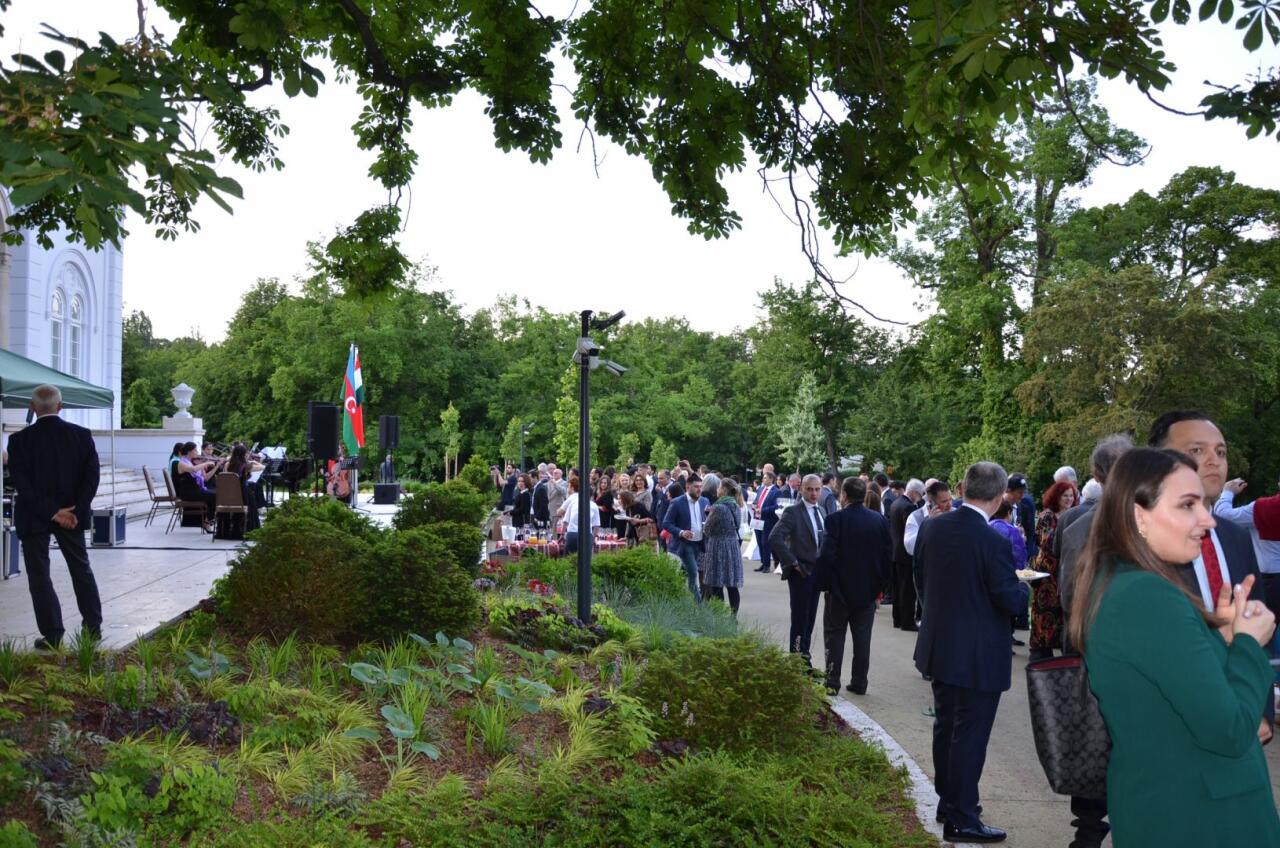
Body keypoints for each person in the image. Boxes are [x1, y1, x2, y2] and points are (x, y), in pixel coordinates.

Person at [1071, 448, 1280, 847]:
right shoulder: (1148, 595)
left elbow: (1169, 689)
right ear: (1138, 516)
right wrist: (1249, 644)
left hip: (1174, 806)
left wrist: (1224, 638)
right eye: (1188, 505)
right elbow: (1232, 731)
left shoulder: (1124, 582)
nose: (1208, 519)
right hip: (1204, 817)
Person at [914, 462, 1028, 844]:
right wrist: (1024, 589)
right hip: (977, 653)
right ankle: (962, 816)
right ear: (999, 496)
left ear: (964, 488)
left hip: (940, 643)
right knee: (969, 735)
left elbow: (919, 579)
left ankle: (949, 803)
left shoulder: (933, 526)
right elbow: (1009, 599)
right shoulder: (992, 541)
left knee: (947, 727)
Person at [1147, 409, 1272, 742]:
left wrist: (1261, 711)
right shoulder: (1141, 546)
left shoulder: (1235, 536)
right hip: (1175, 732)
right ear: (1157, 462)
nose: (1214, 460)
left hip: (1240, 721)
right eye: (1197, 450)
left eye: (1221, 451)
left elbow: (1256, 625)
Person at [7, 385, 103, 650]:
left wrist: (51, 512)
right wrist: (75, 510)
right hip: (72, 514)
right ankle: (92, 628)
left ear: (32, 407)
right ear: (60, 406)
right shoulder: (82, 435)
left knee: (39, 575)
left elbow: (22, 485)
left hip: (34, 514)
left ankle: (52, 634)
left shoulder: (18, 441)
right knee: (80, 569)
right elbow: (92, 477)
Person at [816, 476, 891, 695]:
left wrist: (824, 584)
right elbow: (887, 557)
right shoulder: (879, 520)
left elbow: (827, 555)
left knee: (834, 636)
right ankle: (859, 681)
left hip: (839, 589)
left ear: (844, 495)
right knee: (862, 638)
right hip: (868, 589)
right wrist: (880, 586)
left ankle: (832, 680)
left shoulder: (835, 519)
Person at [770, 474, 826, 664]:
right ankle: (796, 659)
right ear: (801, 489)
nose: (813, 493)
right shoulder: (793, 512)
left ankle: (805, 656)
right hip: (800, 572)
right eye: (809, 489)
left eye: (817, 489)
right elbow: (775, 538)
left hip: (817, 572)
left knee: (810, 618)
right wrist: (793, 562)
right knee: (800, 617)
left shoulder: (822, 511)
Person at [1029, 480, 1077, 659]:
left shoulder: (1072, 514)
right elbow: (1046, 542)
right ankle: (1040, 649)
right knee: (1044, 610)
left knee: (1059, 611)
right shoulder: (1047, 516)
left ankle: (1054, 645)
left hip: (1063, 569)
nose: (1069, 499)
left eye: (1071, 496)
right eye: (1065, 496)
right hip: (1047, 571)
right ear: (1056, 496)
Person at [701, 478, 745, 614]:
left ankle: (720, 616)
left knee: (717, 583)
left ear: (724, 490)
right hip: (732, 546)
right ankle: (733, 617)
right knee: (732, 584)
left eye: (719, 487)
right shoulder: (736, 506)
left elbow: (707, 530)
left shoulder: (718, 507)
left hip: (718, 546)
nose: (717, 489)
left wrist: (707, 516)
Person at [662, 475, 709, 600]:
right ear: (688, 487)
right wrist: (681, 532)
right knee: (693, 572)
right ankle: (699, 605)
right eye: (696, 487)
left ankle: (674, 595)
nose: (699, 489)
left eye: (701, 487)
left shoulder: (705, 501)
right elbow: (666, 523)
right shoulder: (677, 502)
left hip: (700, 543)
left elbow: (707, 520)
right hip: (685, 543)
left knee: (685, 571)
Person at [889, 478, 924, 631]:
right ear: (915, 492)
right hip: (905, 554)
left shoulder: (896, 503)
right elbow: (909, 530)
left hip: (896, 551)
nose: (921, 498)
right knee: (907, 590)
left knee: (898, 588)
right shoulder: (909, 507)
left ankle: (897, 618)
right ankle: (907, 621)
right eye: (920, 494)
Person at [171, 442, 216, 531]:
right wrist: (205, 463)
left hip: (195, 490)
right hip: (188, 493)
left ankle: (208, 519)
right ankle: (207, 522)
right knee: (214, 496)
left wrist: (205, 464)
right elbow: (193, 469)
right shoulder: (181, 463)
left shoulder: (189, 462)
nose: (197, 452)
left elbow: (202, 476)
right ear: (189, 451)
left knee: (215, 494)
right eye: (195, 450)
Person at [559, 476, 600, 555]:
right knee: (585, 558)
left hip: (572, 534)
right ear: (591, 496)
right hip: (586, 535)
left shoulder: (573, 502)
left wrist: (562, 534)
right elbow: (596, 525)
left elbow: (565, 521)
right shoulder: (594, 505)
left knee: (569, 557)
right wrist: (593, 538)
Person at [752, 472, 779, 573]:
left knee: (765, 543)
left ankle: (767, 565)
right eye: (763, 478)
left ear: (771, 479)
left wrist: (762, 510)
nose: (763, 479)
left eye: (765, 478)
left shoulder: (776, 491)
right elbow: (756, 500)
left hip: (767, 520)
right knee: (759, 542)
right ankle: (763, 563)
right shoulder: (761, 489)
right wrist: (754, 505)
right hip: (757, 519)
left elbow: (776, 506)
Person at [988, 500, 1026, 567]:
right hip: (1006, 569)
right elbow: (1020, 557)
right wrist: (1022, 540)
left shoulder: (987, 526)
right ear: (1009, 513)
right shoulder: (1013, 531)